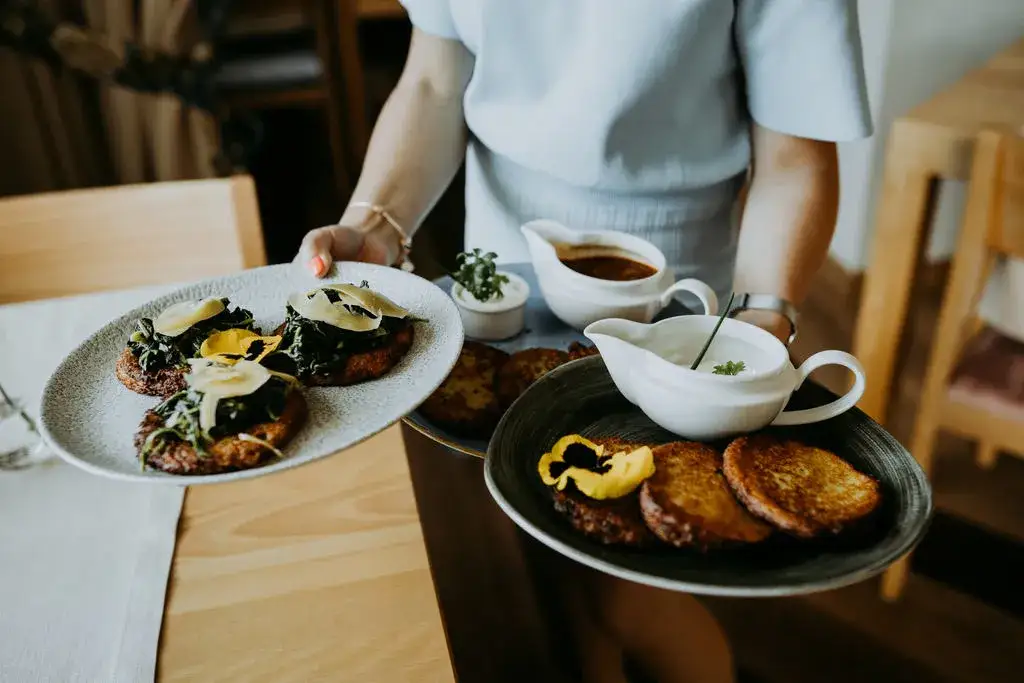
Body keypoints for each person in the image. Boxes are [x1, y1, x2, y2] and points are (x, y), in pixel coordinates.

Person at [295, 1, 872, 680]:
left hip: (681, 309)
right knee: (562, 567)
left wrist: (760, 322)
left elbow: (795, 156)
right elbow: (434, 79)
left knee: (629, 597)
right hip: (501, 294)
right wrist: (378, 223)